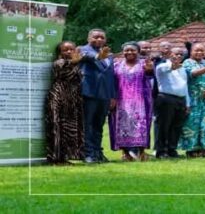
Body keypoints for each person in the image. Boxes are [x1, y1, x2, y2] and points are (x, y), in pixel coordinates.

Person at [109, 42, 154, 162]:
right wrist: (112, 98)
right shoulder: (116, 65)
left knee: (140, 126)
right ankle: (125, 153)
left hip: (141, 101)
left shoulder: (145, 64)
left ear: (138, 52)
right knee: (121, 126)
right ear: (123, 52)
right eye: (126, 50)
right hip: (121, 101)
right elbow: (112, 82)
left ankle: (140, 152)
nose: (129, 52)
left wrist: (149, 71)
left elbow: (151, 78)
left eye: (133, 50)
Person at [79, 28, 116, 164]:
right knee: (87, 124)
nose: (99, 39)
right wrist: (98, 56)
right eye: (96, 37)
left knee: (99, 125)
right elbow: (87, 57)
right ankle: (88, 154)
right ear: (89, 38)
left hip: (105, 96)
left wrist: (112, 96)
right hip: (89, 94)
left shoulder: (110, 55)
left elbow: (111, 77)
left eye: (102, 37)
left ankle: (98, 152)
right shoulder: (82, 49)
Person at [45, 41, 84, 165]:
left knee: (69, 129)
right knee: (57, 127)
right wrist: (75, 61)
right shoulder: (59, 63)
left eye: (71, 49)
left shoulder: (77, 64)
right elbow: (63, 66)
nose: (68, 52)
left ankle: (65, 157)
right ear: (60, 53)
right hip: (58, 97)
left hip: (72, 99)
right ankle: (54, 157)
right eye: (65, 50)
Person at [154, 47, 189, 159]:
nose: (178, 56)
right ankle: (161, 151)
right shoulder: (161, 66)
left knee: (176, 126)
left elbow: (185, 86)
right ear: (170, 55)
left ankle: (172, 149)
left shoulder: (183, 68)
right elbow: (165, 70)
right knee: (164, 125)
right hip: (166, 98)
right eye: (176, 54)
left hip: (181, 99)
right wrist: (172, 67)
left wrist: (187, 103)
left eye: (181, 54)